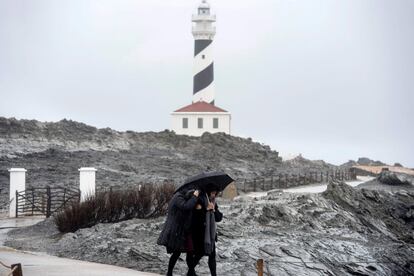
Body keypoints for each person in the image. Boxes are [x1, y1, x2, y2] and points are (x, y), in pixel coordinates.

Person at [157, 188, 200, 276]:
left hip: (184, 229)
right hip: (176, 230)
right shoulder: (178, 198)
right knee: (177, 252)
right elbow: (186, 207)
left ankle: (192, 273)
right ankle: (169, 273)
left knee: (190, 252)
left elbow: (189, 209)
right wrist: (194, 197)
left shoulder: (183, 197)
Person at [187, 184, 223, 276]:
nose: (214, 195)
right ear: (208, 192)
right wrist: (206, 209)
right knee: (199, 254)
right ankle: (190, 272)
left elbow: (219, 218)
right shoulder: (200, 200)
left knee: (212, 256)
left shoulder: (213, 202)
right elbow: (196, 218)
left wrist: (214, 210)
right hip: (200, 234)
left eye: (215, 193)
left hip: (210, 235)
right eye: (212, 193)